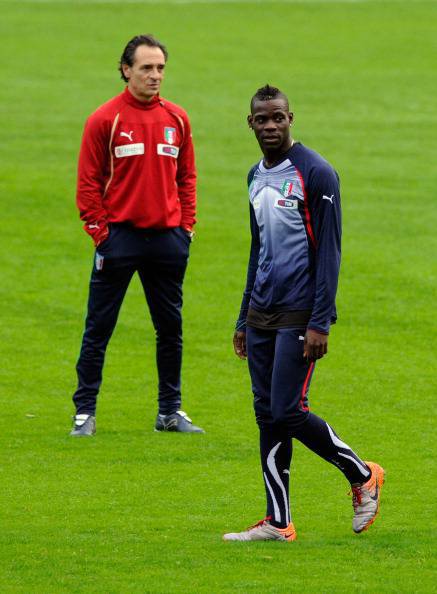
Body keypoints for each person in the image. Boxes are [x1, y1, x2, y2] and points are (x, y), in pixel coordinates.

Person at [223, 85, 384, 542]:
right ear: (250, 123)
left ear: (291, 118)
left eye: (278, 117)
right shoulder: (255, 176)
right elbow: (258, 250)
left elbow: (330, 252)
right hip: (262, 313)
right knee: (267, 414)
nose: (271, 125)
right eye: (262, 119)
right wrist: (243, 317)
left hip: (300, 313)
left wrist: (320, 320)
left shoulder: (316, 173)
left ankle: (362, 474)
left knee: (288, 410)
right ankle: (278, 521)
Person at [70, 34, 203, 436]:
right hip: (120, 239)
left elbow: (187, 177)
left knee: (170, 329)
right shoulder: (104, 120)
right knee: (99, 328)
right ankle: (84, 412)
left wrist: (186, 228)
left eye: (160, 68)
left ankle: (170, 411)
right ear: (126, 70)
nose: (155, 75)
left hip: (167, 240)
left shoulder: (177, 119)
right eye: (146, 68)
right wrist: (101, 234)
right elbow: (88, 184)